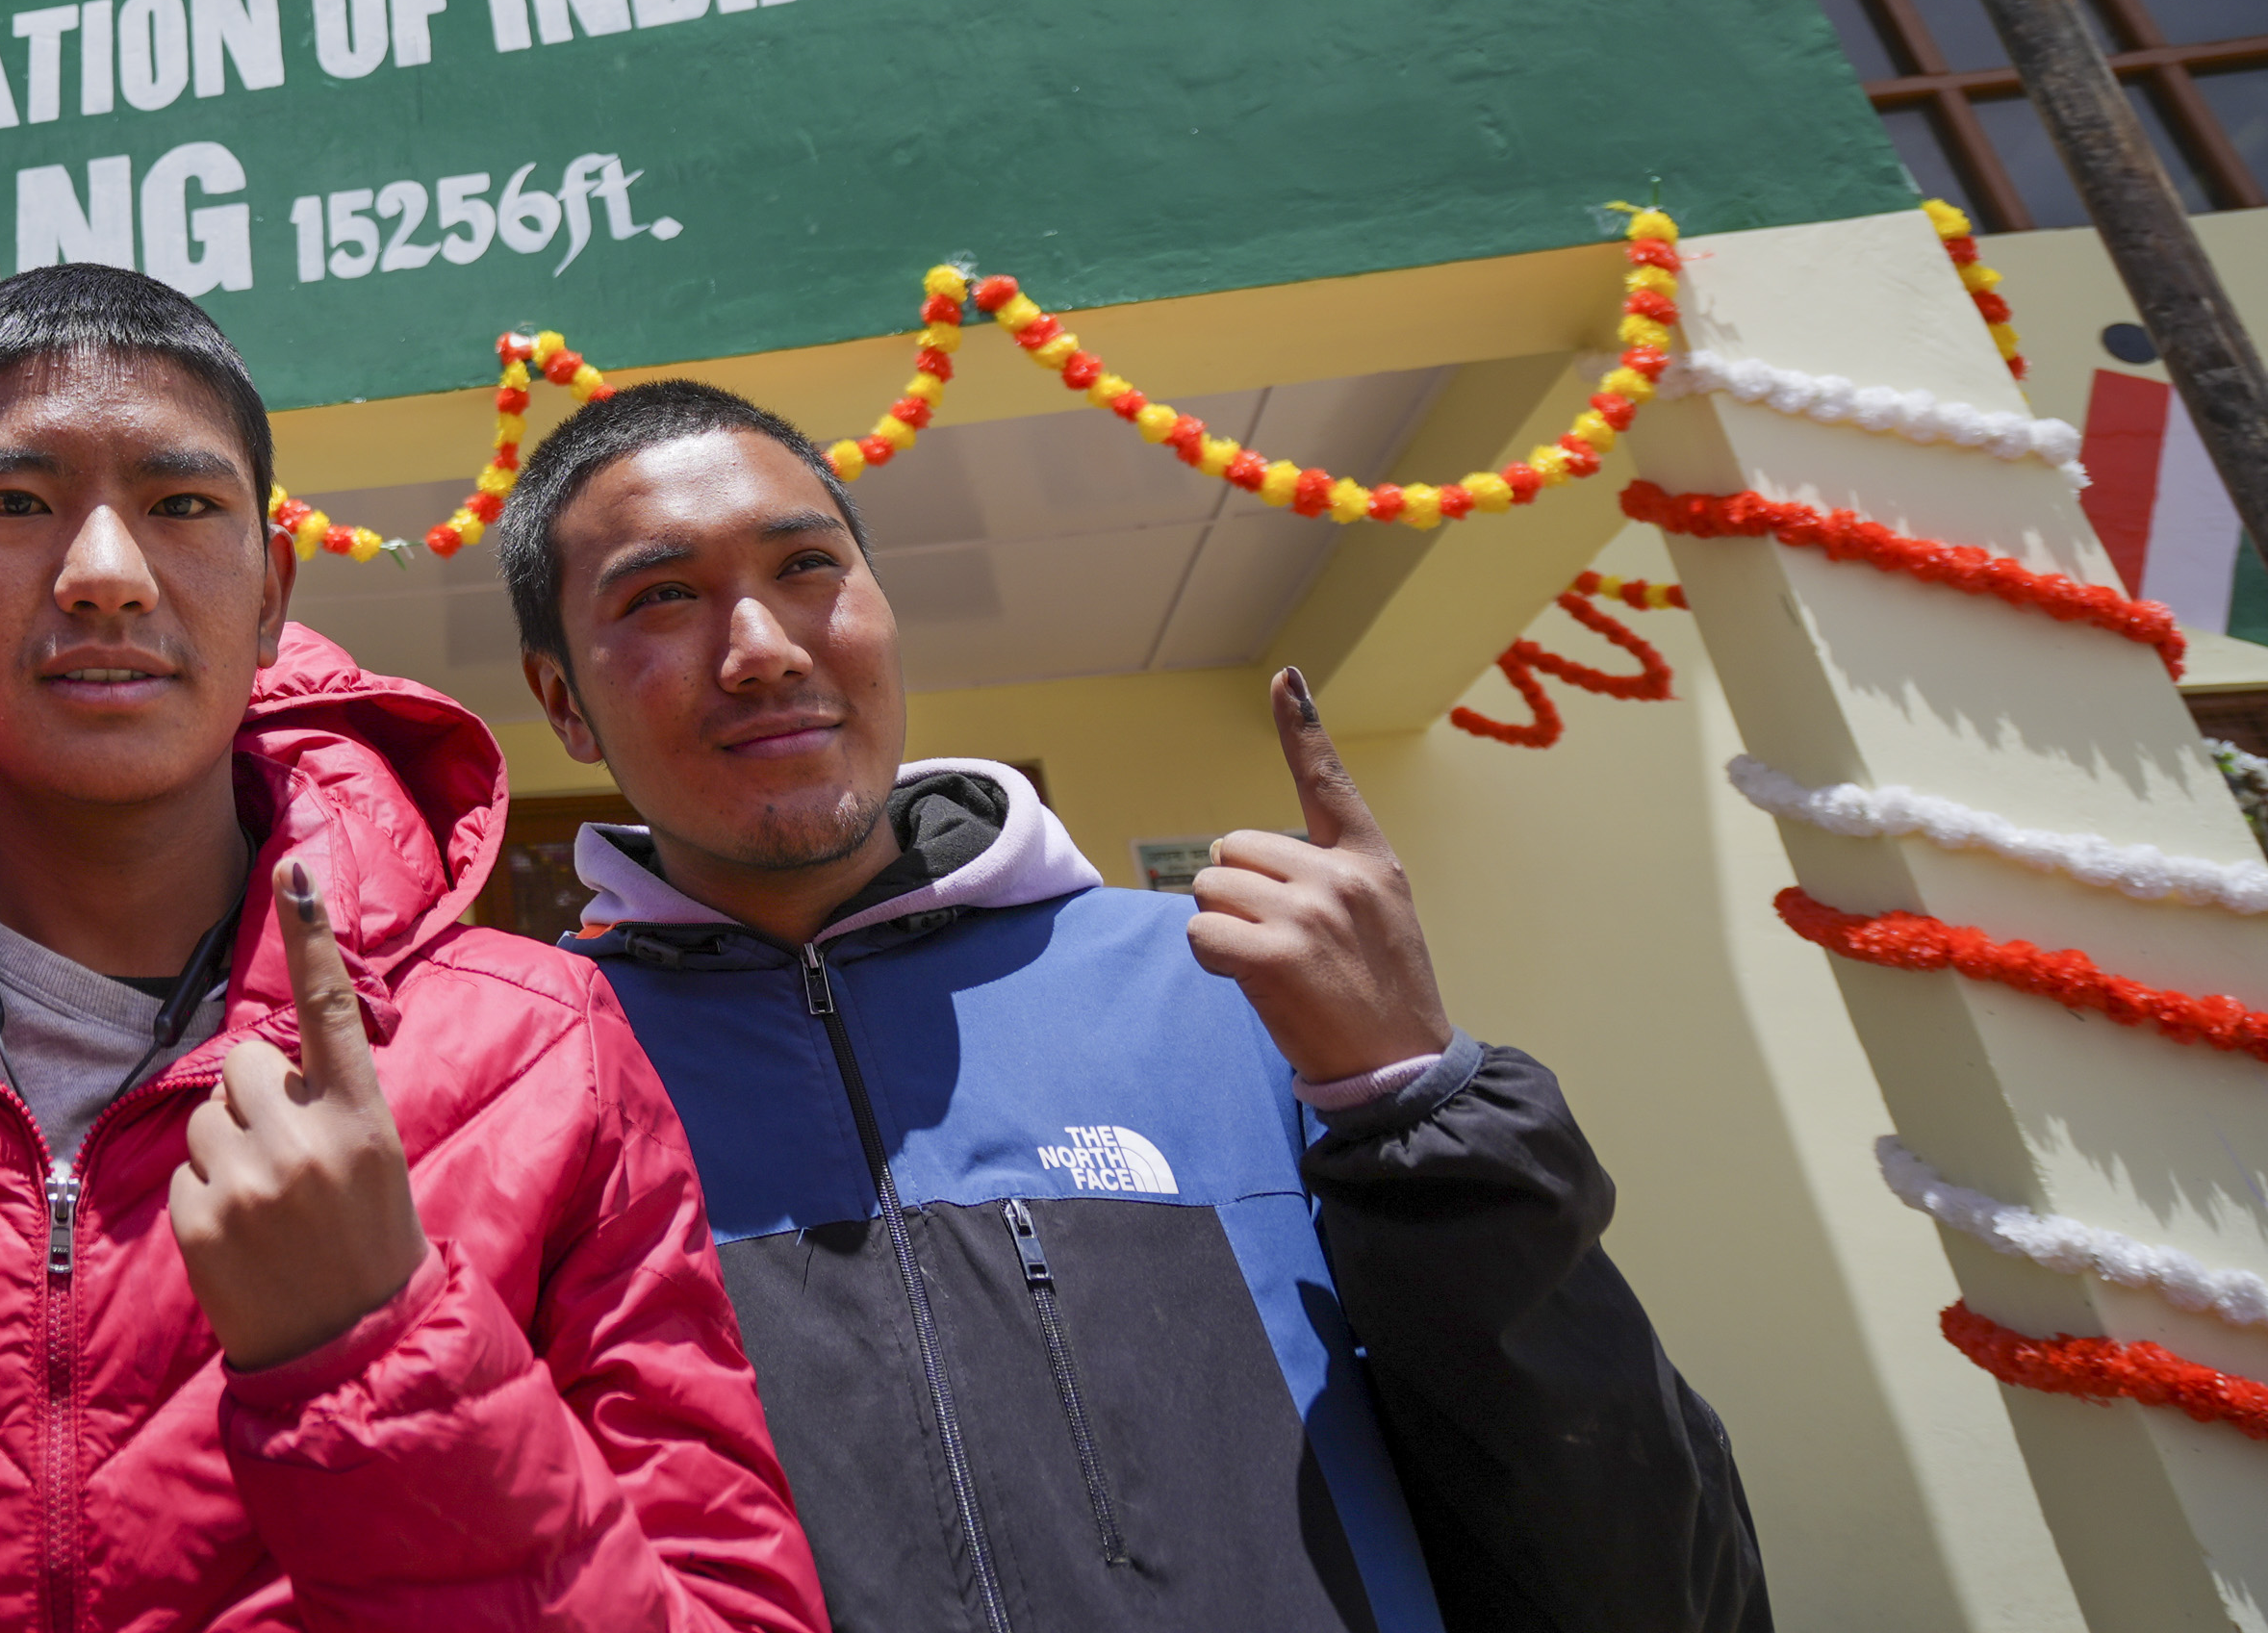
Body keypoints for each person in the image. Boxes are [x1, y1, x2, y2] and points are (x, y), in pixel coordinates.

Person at [498, 375, 1769, 1633]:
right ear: (562, 701)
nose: (765, 649)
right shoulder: (534, 1089)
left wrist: (1415, 1102)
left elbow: (1630, 1553)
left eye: (809, 566)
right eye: (662, 596)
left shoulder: (1238, 995)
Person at [0, 266, 830, 1633]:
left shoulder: (540, 1051)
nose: (104, 574)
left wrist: (378, 1350)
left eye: (181, 505)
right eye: (17, 502)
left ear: (271, 588)